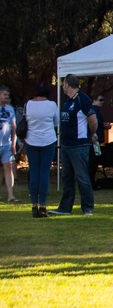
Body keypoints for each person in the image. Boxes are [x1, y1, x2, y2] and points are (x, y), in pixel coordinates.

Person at [50, 75, 98, 216]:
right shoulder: (67, 100)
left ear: (67, 84)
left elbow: (93, 120)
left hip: (79, 145)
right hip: (66, 145)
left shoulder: (81, 99)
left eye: (63, 83)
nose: (62, 86)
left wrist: (91, 132)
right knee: (67, 177)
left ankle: (87, 207)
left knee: (82, 177)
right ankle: (65, 207)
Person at [23, 84, 59, 217]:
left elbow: (26, 120)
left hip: (31, 140)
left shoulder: (29, 104)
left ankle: (34, 205)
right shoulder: (52, 105)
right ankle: (43, 206)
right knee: (44, 173)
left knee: (34, 172)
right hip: (48, 140)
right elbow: (56, 122)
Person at [0, 86, 18, 203]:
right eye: (4, 94)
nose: (6, 97)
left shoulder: (10, 109)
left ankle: (10, 196)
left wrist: (14, 143)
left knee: (8, 167)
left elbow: (14, 128)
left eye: (8, 95)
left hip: (7, 144)